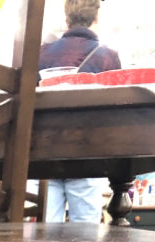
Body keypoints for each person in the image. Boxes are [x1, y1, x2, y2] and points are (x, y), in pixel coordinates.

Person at [38, 0, 121, 223]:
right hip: (87, 153)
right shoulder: (107, 57)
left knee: (42, 233)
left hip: (43, 155)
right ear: (96, 18)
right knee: (85, 232)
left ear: (67, 20)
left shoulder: (40, 55)